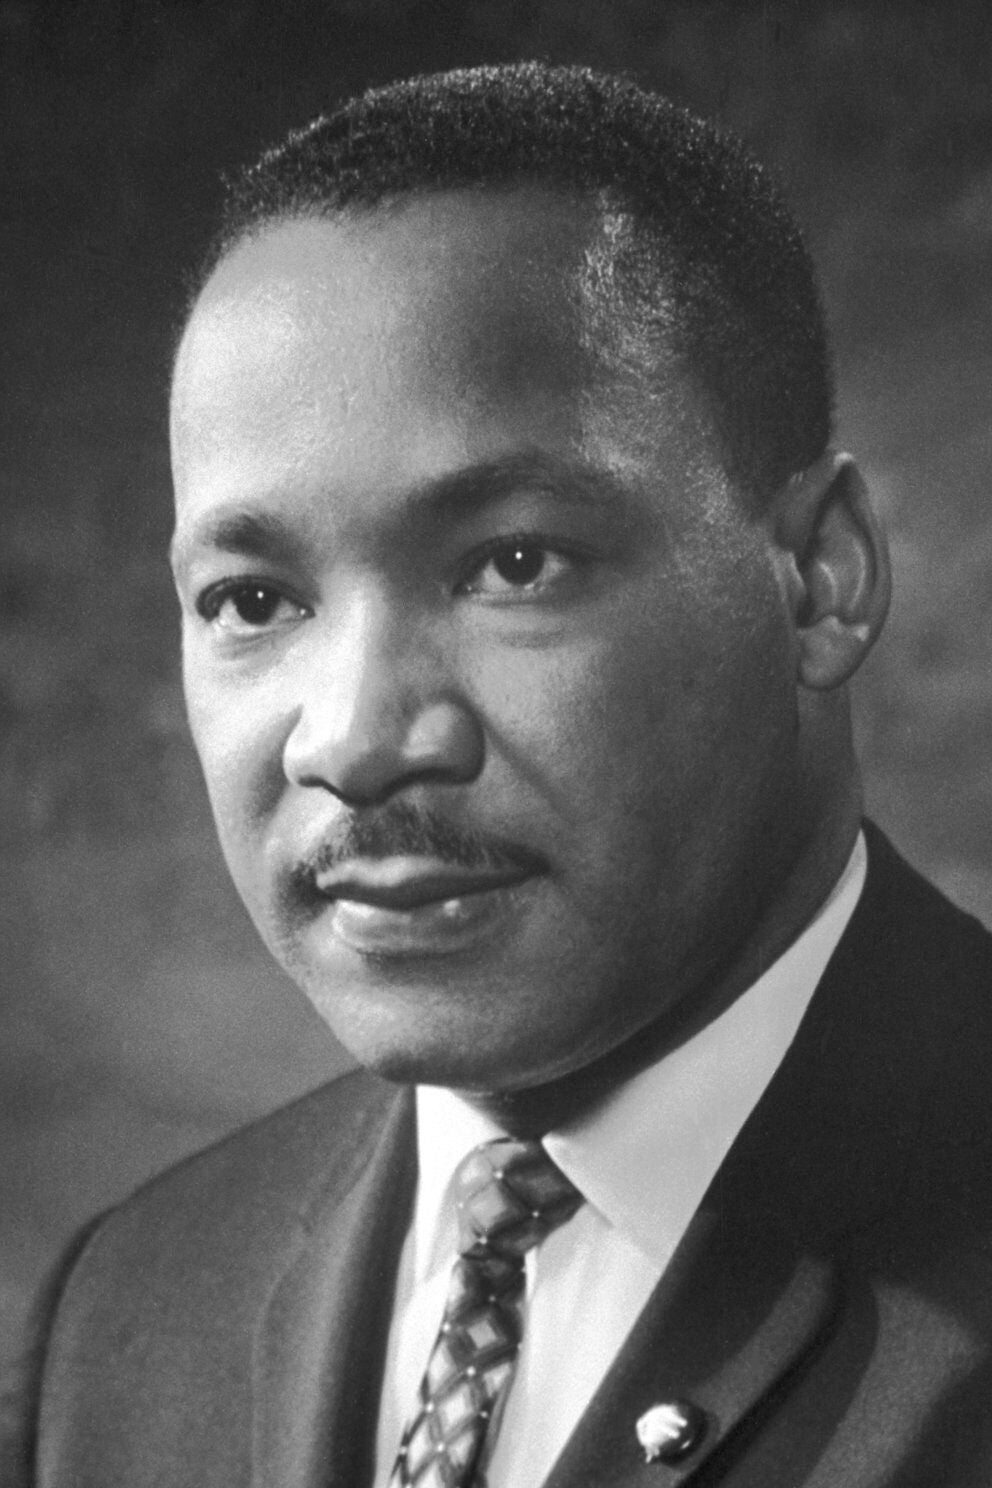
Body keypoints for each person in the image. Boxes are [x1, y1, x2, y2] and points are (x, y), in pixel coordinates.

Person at [18, 61, 992, 1488]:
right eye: (253, 601)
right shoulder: (131, 1313)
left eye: (513, 565)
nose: (352, 740)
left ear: (818, 579)